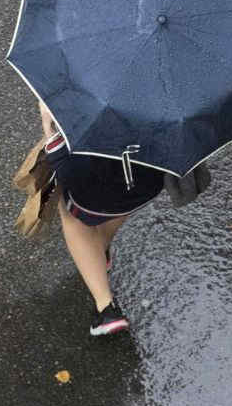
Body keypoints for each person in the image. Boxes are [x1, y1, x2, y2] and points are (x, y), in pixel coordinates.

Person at [40, 102, 164, 337]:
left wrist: (49, 128)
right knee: (119, 204)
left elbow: (66, 170)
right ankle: (98, 250)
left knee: (72, 216)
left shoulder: (85, 100)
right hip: (149, 181)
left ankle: (106, 308)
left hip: (96, 187)